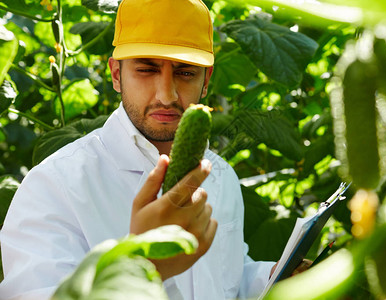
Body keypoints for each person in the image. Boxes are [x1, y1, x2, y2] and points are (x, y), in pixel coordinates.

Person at [0, 0, 278, 299]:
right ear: (116, 75)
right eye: (146, 69)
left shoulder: (222, 175)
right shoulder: (53, 186)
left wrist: (271, 277)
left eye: (185, 73)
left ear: (206, 80)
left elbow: (228, 279)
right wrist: (145, 265)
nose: (166, 95)